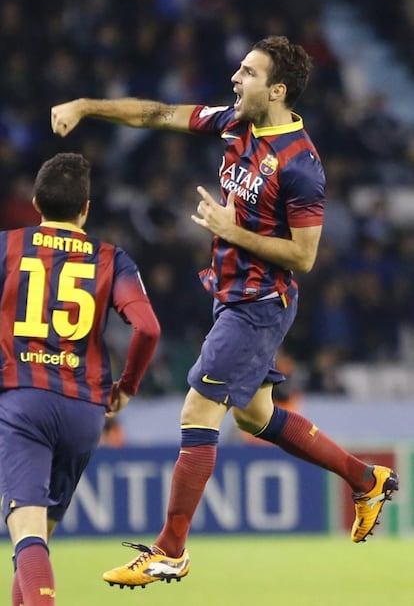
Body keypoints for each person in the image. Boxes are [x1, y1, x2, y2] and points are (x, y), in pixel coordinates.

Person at [50, 35, 399, 590]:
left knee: (197, 411)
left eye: (248, 73)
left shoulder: (301, 164)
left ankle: (170, 551)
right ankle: (366, 479)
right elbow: (159, 113)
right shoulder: (237, 121)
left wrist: (229, 230)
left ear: (277, 90)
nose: (236, 80)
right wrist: (87, 107)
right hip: (231, 295)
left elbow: (305, 257)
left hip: (258, 304)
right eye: (239, 70)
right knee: (255, 416)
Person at [0, 152, 160, 605]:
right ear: (85, 208)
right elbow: (148, 327)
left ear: (35, 202)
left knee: (25, 534)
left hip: (24, 401)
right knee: (37, 543)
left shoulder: (8, 247)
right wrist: (127, 386)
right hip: (84, 410)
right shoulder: (113, 259)